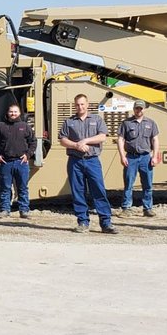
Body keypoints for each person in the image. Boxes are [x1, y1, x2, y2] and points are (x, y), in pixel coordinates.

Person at [58, 94, 118, 234]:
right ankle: (83, 222)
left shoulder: (97, 119)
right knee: (78, 192)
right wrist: (76, 145)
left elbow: (102, 136)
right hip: (75, 161)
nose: (80, 107)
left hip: (92, 161)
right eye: (77, 104)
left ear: (87, 104)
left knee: (99, 191)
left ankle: (106, 223)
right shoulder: (69, 121)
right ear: (75, 105)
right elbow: (62, 140)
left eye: (82, 104)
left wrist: (85, 141)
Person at [0, 103, 36, 219]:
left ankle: (24, 210)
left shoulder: (25, 126)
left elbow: (33, 142)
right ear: (7, 113)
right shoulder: (0, 126)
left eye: (15, 111)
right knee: (5, 188)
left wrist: (28, 155)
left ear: (19, 113)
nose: (13, 114)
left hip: (21, 162)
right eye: (11, 111)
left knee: (23, 188)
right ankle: (5, 209)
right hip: (6, 162)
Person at [115, 99, 160, 217]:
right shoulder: (126, 123)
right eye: (137, 108)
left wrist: (154, 156)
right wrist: (122, 156)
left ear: (144, 109)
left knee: (148, 184)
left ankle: (147, 208)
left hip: (146, 157)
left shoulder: (151, 123)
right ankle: (126, 208)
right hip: (131, 157)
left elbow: (155, 140)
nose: (138, 110)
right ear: (133, 109)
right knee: (128, 184)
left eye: (141, 108)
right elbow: (120, 139)